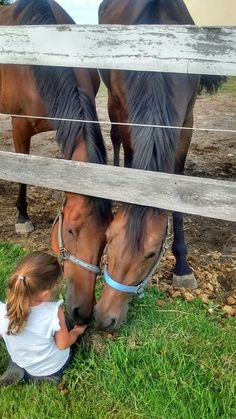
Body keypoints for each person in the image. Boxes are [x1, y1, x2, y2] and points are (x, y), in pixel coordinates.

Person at [0, 251, 87, 385]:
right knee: (68, 325)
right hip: (52, 368)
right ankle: (48, 378)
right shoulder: (53, 313)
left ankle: (18, 369)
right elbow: (63, 344)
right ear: (46, 294)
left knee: (22, 345)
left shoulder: (2, 311)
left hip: (24, 362)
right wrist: (76, 332)